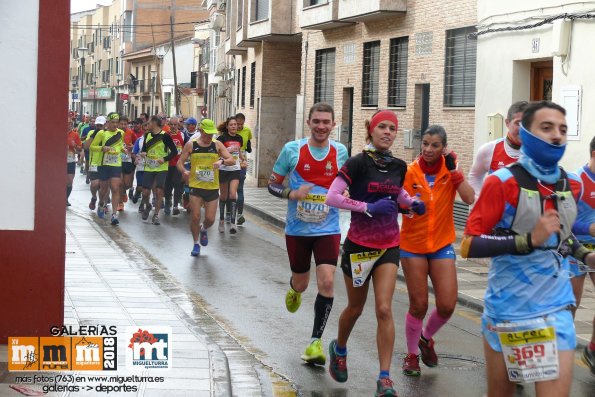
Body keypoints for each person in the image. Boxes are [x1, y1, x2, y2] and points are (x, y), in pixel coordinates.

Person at [461, 101, 595, 397]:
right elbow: (469, 244)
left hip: (556, 306)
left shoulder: (570, 183)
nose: (556, 135)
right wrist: (527, 240)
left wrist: (587, 256)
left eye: (562, 129)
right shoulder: (502, 182)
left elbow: (562, 236)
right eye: (546, 128)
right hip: (508, 308)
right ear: (527, 133)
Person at [325, 110, 425, 397]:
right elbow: (332, 197)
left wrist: (412, 203)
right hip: (358, 246)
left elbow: (399, 195)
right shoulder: (357, 163)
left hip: (389, 246)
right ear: (371, 130)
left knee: (384, 308)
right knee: (355, 308)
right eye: (382, 126)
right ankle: (339, 348)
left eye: (392, 128)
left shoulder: (399, 165)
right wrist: (367, 207)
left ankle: (384, 378)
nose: (388, 132)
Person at [268, 102, 348, 365]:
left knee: (326, 281)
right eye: (317, 121)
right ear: (309, 123)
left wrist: (346, 193)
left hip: (328, 229)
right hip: (298, 230)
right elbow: (272, 185)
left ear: (333, 125)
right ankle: (295, 289)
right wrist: (292, 193)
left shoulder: (340, 152)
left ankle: (315, 342)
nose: (322, 126)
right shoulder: (293, 150)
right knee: (302, 282)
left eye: (326, 122)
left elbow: (348, 185)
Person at [400, 125, 475, 376]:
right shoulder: (409, 171)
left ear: (444, 148)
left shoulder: (449, 171)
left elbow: (469, 198)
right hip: (413, 246)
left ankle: (426, 337)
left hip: (442, 245)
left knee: (447, 304)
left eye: (435, 145)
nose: (428, 149)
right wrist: (407, 207)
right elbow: (397, 201)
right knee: (419, 304)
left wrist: (455, 173)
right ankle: (411, 355)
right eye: (425, 144)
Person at [177, 119, 235, 256]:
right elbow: (180, 162)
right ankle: (196, 244)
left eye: (211, 134)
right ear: (201, 131)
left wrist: (221, 161)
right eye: (207, 134)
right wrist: (184, 171)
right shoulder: (191, 145)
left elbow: (231, 160)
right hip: (196, 186)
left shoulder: (217, 145)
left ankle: (203, 229)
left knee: (210, 219)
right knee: (195, 217)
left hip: (212, 187)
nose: (210, 137)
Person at [569, 136, 595, 375]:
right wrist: (588, 229)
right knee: (572, 304)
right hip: (576, 248)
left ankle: (593, 349)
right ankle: (561, 350)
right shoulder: (577, 180)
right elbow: (565, 221)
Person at [468, 101, 529, 199]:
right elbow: (474, 176)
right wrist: (481, 200)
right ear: (507, 123)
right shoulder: (489, 149)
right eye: (518, 123)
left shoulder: (537, 153)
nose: (523, 129)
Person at [139, 115, 178, 225]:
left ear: (155, 123)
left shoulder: (165, 136)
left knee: (159, 190)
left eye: (149, 123)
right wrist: (143, 153)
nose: (147, 125)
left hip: (161, 168)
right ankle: (148, 205)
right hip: (149, 167)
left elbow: (174, 152)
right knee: (145, 192)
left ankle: (156, 215)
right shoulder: (147, 135)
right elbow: (144, 150)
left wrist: (164, 159)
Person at [90, 112, 125, 225]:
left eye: (116, 123)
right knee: (104, 189)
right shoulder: (102, 133)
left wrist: (123, 150)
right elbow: (92, 147)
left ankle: (114, 215)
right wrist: (102, 148)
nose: (115, 125)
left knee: (115, 188)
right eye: (113, 122)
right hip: (103, 164)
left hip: (116, 164)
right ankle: (101, 203)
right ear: (108, 123)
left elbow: (120, 145)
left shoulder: (121, 133)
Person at [216, 117, 246, 234]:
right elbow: (218, 152)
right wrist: (220, 159)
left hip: (235, 169)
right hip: (224, 169)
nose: (234, 126)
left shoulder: (239, 138)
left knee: (233, 194)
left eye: (235, 125)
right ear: (227, 126)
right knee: (223, 196)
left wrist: (243, 160)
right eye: (231, 125)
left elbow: (239, 152)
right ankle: (222, 220)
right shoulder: (221, 138)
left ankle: (233, 223)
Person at [164, 117, 187, 215]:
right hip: (167, 164)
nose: (173, 126)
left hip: (178, 164)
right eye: (171, 125)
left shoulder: (182, 134)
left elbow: (187, 148)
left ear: (178, 125)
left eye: (175, 125)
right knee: (168, 185)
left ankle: (175, 205)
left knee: (177, 184)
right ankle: (167, 202)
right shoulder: (165, 135)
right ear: (168, 125)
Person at [83, 116, 106, 211]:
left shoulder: (108, 134)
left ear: (105, 125)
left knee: (104, 186)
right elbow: (86, 146)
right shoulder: (91, 132)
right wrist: (94, 135)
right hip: (94, 163)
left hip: (105, 163)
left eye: (101, 125)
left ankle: (102, 204)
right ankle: (94, 197)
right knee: (94, 185)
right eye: (98, 125)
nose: (99, 127)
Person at [234, 113, 253, 226]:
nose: (239, 126)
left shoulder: (247, 131)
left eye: (241, 124)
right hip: (230, 163)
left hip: (242, 163)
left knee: (239, 189)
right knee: (230, 191)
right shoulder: (230, 130)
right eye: (237, 124)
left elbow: (249, 142)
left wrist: (248, 147)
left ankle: (239, 215)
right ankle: (228, 212)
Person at [118, 116, 136, 211]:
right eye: (122, 124)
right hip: (117, 160)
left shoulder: (130, 133)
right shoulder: (115, 132)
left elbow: (136, 144)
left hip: (128, 160)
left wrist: (132, 147)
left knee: (127, 184)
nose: (123, 126)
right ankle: (120, 203)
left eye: (125, 124)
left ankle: (124, 192)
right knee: (120, 183)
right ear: (118, 123)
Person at [67, 120, 83, 206]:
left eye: (70, 124)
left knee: (69, 181)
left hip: (70, 160)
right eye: (66, 123)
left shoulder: (75, 135)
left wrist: (75, 145)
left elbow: (80, 148)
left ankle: (66, 198)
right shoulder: (58, 132)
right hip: (60, 161)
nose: (68, 125)